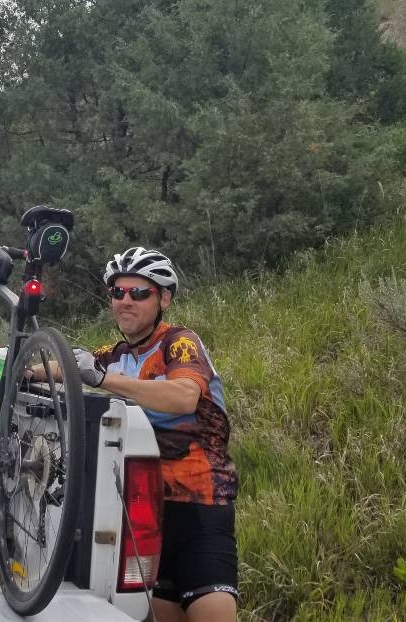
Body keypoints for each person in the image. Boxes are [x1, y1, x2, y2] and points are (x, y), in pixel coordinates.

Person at [75, 247, 239, 622]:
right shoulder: (115, 353)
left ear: (164, 298)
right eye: (118, 293)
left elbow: (184, 397)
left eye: (139, 293)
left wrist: (104, 380)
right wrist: (13, 364)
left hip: (201, 504)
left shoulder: (179, 343)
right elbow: (66, 361)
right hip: (147, 511)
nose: (125, 301)